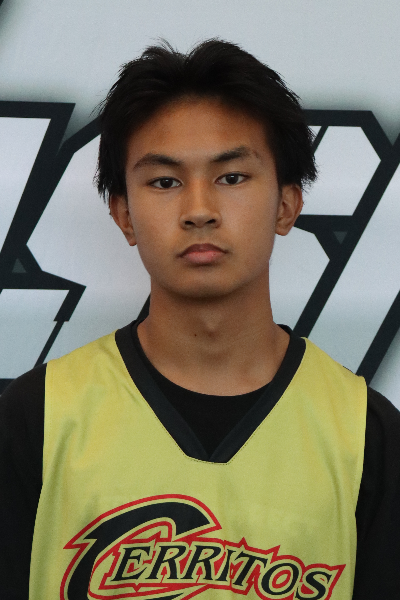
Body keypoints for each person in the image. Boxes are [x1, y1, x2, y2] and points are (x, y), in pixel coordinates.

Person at [1, 39, 399, 600]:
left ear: (287, 204)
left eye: (231, 177)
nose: (199, 210)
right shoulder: (36, 417)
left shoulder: (366, 436)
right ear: (124, 214)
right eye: (165, 182)